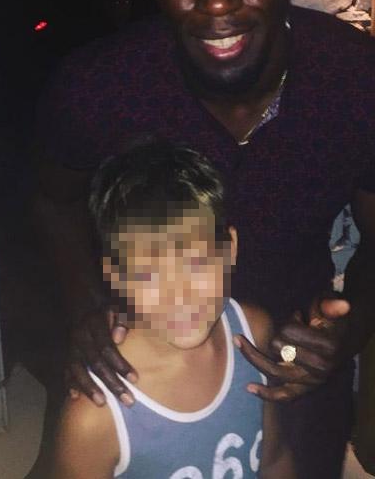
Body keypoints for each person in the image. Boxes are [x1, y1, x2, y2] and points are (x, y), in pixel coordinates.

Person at [34, 0, 375, 476]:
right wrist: (86, 310)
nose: (218, 1)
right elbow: (54, 201)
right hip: (140, 350)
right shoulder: (97, 89)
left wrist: (346, 330)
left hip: (294, 360)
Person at [52, 140, 296, 478]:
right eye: (148, 274)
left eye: (196, 264)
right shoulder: (93, 417)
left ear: (230, 249)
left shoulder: (253, 331)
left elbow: (274, 457)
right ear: (115, 276)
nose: (179, 295)